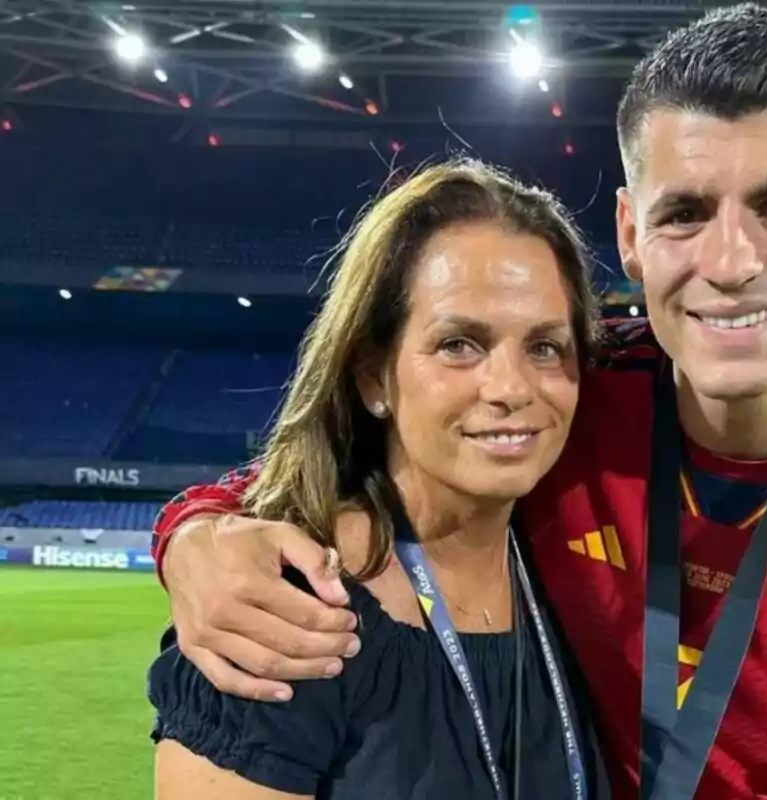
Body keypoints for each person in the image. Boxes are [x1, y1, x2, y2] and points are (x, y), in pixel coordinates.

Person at [150, 5, 767, 799]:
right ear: (632, 235)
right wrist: (195, 533)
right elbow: (337, 457)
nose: (732, 262)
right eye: (685, 214)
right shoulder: (571, 395)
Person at [148, 159, 607, 799]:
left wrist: (189, 523)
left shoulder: (578, 569)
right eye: (459, 344)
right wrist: (195, 529)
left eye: (544, 347)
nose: (511, 388)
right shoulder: (282, 613)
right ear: (373, 377)